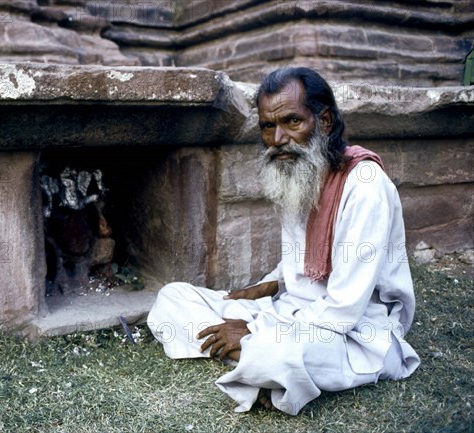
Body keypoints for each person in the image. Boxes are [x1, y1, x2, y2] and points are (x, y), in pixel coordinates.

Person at [147, 67, 420, 416]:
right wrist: (265, 286)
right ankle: (258, 363)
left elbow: (343, 309)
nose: (278, 139)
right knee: (173, 297)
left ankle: (258, 358)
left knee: (282, 352)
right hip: (288, 312)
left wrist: (251, 330)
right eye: (267, 126)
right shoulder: (297, 171)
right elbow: (301, 258)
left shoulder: (365, 185)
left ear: (323, 121)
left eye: (292, 122)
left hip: (352, 332)